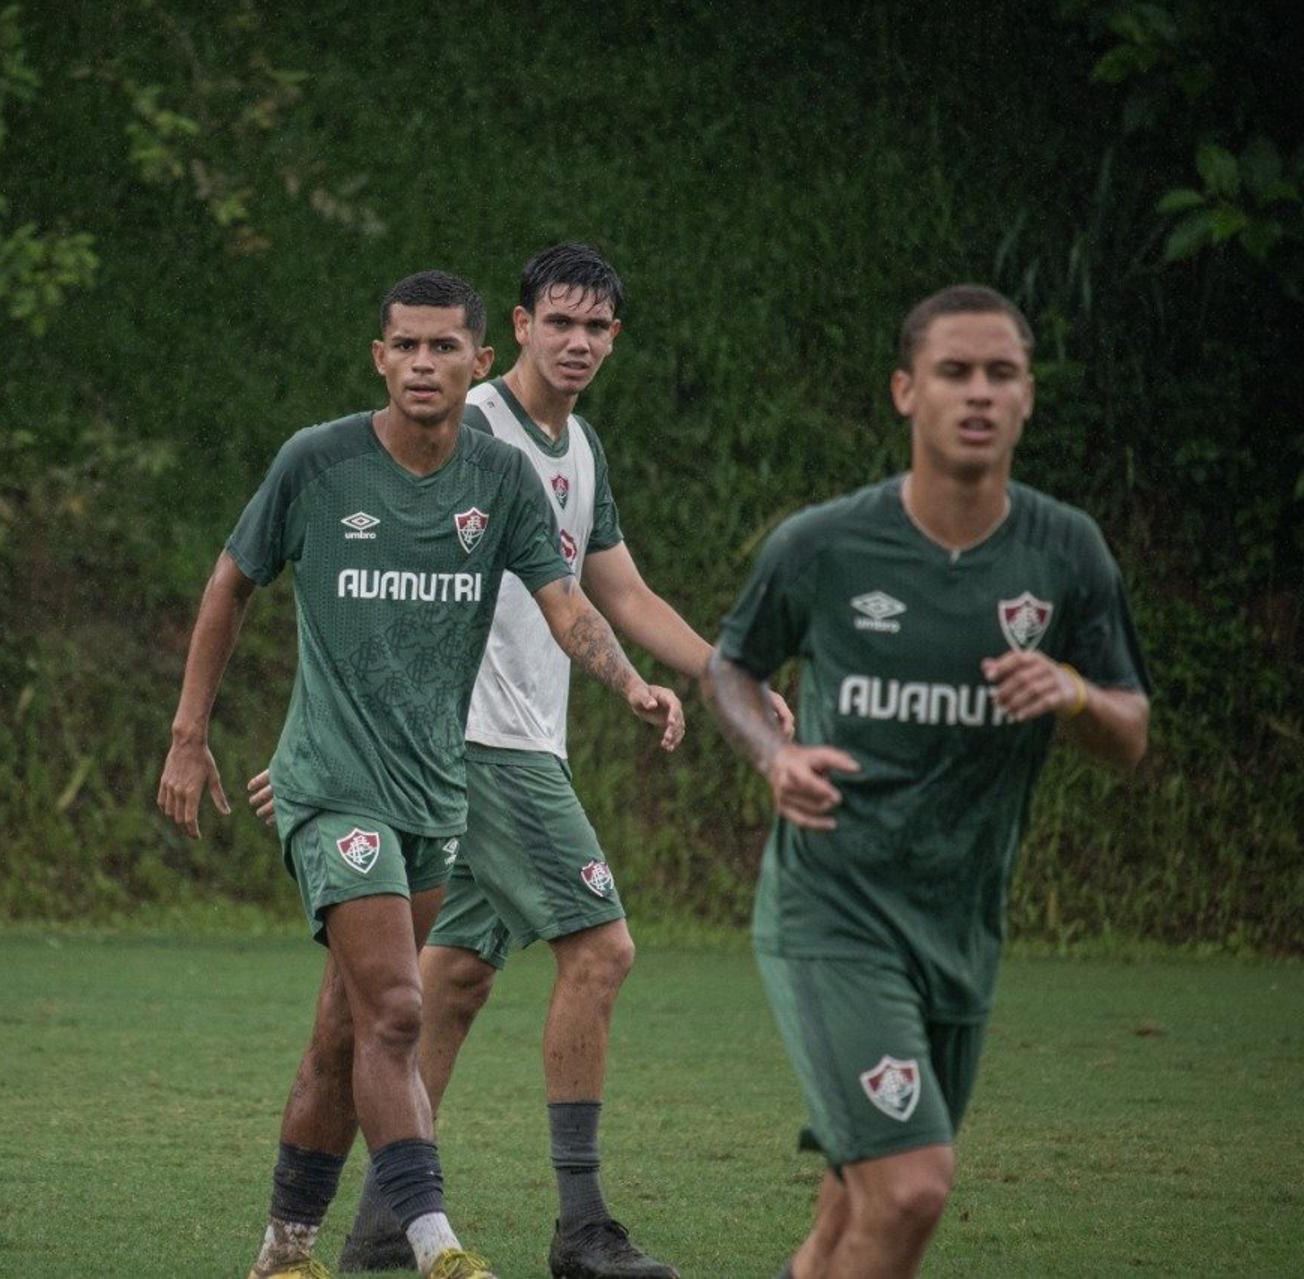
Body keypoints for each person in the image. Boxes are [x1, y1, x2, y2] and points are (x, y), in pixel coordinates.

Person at [249, 244, 793, 1279]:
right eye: (561, 323)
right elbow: (355, 590)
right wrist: (327, 752)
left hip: (506, 748)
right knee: (602, 949)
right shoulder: (465, 421)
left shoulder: (576, 449)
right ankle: (581, 1227)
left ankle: (371, 1233)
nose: (578, 342)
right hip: (477, 752)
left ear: (614, 338)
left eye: (597, 328)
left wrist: (728, 673)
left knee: (438, 989)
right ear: (519, 327)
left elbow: (617, 592)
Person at [158, 269, 682, 1279]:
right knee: (401, 1007)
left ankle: (287, 1250)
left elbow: (567, 602)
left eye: (446, 347)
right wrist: (190, 733)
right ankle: (436, 1245)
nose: (424, 363)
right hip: (331, 788)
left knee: (343, 1029)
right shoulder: (319, 463)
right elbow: (233, 579)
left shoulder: (501, 481)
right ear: (380, 356)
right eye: (407, 345)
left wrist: (629, 682)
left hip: (433, 794)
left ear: (479, 361)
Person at [699, 284, 1151, 1278]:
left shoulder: (1065, 552)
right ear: (907, 392)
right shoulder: (823, 545)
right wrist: (774, 755)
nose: (979, 392)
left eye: (1003, 373)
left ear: (1030, 397)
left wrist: (1073, 690)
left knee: (846, 1219)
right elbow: (728, 666)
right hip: (836, 908)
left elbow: (1129, 731)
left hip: (960, 921)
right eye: (955, 372)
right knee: (911, 1188)